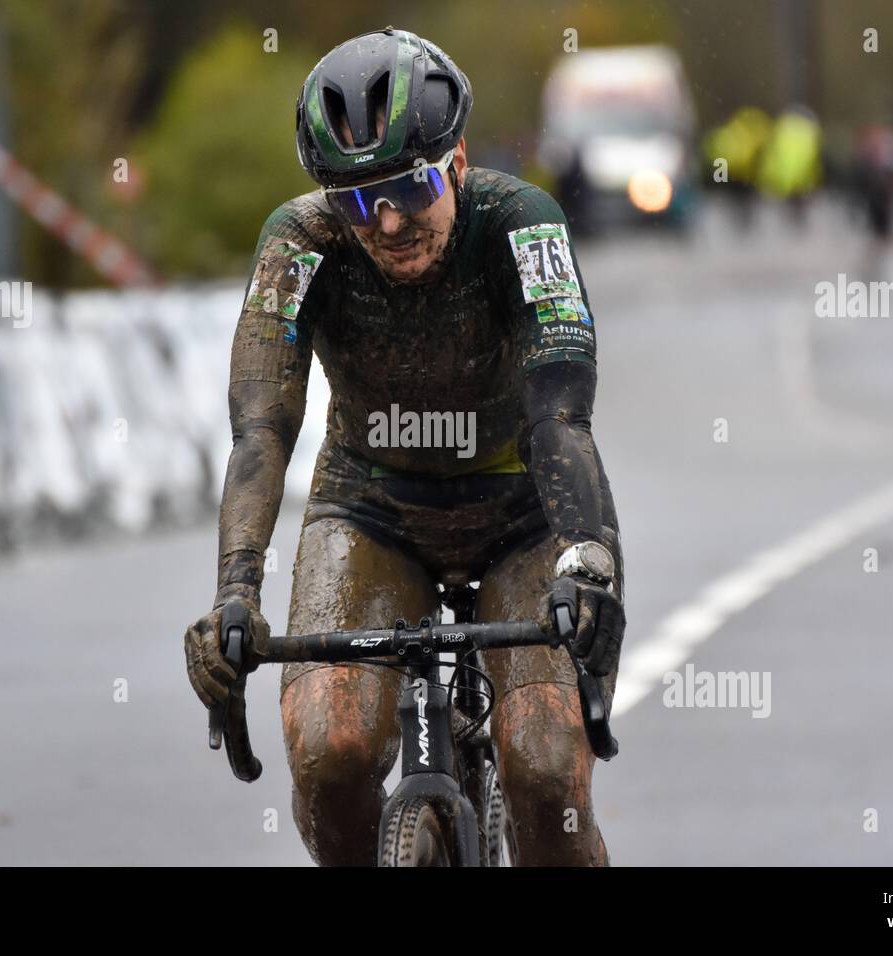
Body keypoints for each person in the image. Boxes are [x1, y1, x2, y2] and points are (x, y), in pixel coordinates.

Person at [184, 27, 625, 866]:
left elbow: (558, 417)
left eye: (409, 188)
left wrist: (586, 563)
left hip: (524, 515)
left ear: (456, 162)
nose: (386, 221)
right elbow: (261, 428)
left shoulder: (520, 223)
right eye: (355, 200)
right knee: (328, 755)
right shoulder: (299, 243)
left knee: (541, 774)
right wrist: (234, 592)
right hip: (373, 509)